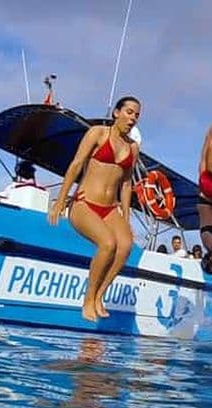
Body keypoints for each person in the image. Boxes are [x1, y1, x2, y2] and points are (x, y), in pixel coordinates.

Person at [48, 96, 141, 321]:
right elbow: (77, 164)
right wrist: (62, 199)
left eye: (137, 115)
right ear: (116, 112)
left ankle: (100, 295)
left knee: (126, 245)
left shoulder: (133, 148)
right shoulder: (98, 133)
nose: (133, 118)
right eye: (129, 112)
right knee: (108, 244)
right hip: (84, 203)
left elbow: (127, 184)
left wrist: (126, 218)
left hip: (110, 208)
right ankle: (88, 299)